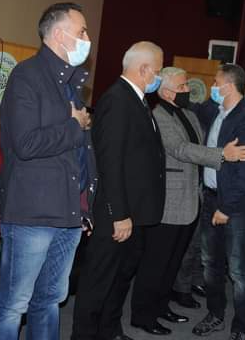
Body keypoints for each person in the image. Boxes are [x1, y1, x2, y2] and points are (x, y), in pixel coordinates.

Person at [0, 3, 97, 340]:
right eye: (82, 31)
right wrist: (74, 126)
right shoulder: (27, 76)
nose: (87, 38)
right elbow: (26, 143)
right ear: (59, 34)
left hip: (68, 213)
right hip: (32, 213)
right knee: (14, 303)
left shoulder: (70, 82)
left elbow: (79, 155)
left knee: (50, 300)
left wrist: (84, 205)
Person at [130, 67, 245, 334]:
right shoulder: (159, 116)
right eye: (183, 87)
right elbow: (180, 149)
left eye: (186, 85)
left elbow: (202, 143)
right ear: (166, 92)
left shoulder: (187, 113)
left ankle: (161, 306)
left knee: (173, 261)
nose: (189, 90)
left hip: (191, 199)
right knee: (156, 262)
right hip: (169, 201)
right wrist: (223, 155)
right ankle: (143, 315)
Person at [71, 41, 166, 340]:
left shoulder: (136, 99)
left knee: (119, 280)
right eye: (158, 71)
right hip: (117, 214)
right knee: (98, 282)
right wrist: (119, 214)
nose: (159, 77)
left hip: (134, 212)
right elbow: (110, 162)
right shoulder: (117, 99)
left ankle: (109, 331)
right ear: (144, 69)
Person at [191, 64, 245, 340]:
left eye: (216, 82)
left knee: (237, 268)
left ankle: (241, 327)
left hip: (235, 205)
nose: (213, 87)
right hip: (211, 197)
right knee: (210, 262)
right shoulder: (216, 111)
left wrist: (226, 208)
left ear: (229, 86)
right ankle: (215, 314)